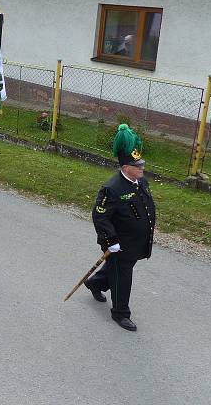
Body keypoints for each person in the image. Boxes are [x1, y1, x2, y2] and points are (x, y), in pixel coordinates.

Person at [85, 124, 156, 332]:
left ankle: (95, 283)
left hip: (136, 243)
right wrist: (110, 242)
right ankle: (120, 313)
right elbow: (100, 216)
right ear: (126, 167)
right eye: (138, 165)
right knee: (122, 276)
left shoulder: (140, 182)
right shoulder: (112, 188)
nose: (142, 168)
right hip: (120, 244)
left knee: (118, 270)